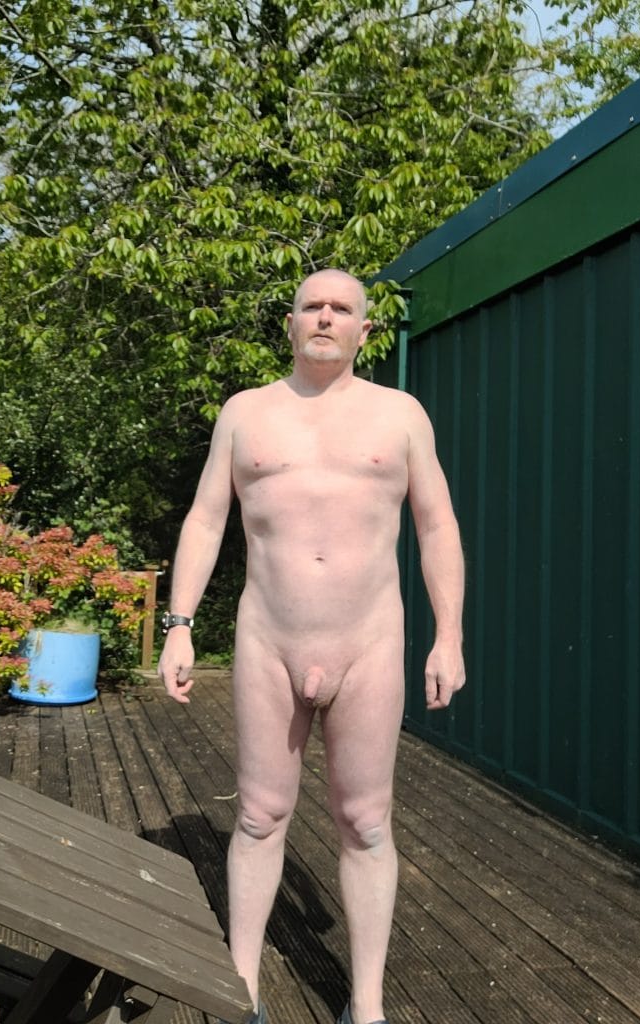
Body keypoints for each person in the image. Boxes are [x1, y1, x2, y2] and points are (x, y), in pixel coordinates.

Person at [157, 268, 465, 1024]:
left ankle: (366, 1006)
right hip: (269, 640)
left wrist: (449, 635)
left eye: (341, 309)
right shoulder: (245, 413)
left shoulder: (402, 416)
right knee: (260, 816)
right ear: (290, 323)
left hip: (370, 644)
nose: (325, 317)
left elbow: (437, 527)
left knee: (366, 821)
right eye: (311, 306)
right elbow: (205, 519)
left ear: (365, 330)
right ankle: (241, 989)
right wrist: (180, 622)